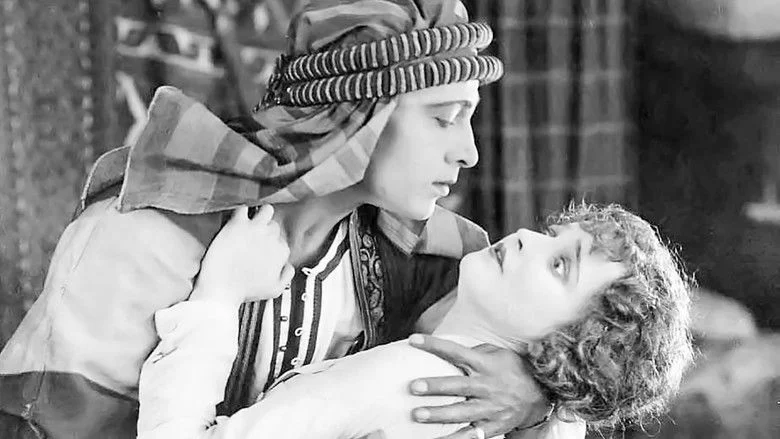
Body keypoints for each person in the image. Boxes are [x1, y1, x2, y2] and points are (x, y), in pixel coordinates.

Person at [0, 1, 557, 438]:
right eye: (445, 118)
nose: (469, 153)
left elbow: (554, 337)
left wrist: (534, 394)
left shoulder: (422, 258)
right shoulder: (150, 237)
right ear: (357, 119)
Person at [135, 203, 693, 439]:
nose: (527, 237)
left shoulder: (416, 384)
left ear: (570, 345)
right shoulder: (471, 403)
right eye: (553, 235)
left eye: (559, 265)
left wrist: (217, 296)